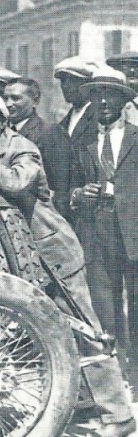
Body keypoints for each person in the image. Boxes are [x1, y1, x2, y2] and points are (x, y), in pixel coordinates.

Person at [0, 90, 134, 437]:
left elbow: (18, 182)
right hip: (17, 256)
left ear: (3, 121)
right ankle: (74, 404)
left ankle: (119, 413)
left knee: (85, 329)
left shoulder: (21, 148)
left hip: (52, 254)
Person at [68, 67, 138, 397]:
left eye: (111, 96)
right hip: (96, 232)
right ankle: (114, 374)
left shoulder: (137, 137)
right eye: (97, 96)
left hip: (134, 232)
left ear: (125, 101)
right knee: (104, 305)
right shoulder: (81, 143)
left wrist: (119, 193)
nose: (104, 101)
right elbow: (63, 188)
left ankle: (136, 374)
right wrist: (77, 195)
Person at [3, 77, 75, 217]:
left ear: (35, 101)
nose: (8, 104)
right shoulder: (4, 133)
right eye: (5, 98)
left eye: (16, 98)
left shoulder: (49, 132)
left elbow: (61, 185)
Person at [55, 56, 102, 152]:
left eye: (73, 80)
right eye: (63, 81)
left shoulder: (100, 117)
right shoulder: (64, 122)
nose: (66, 86)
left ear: (89, 83)